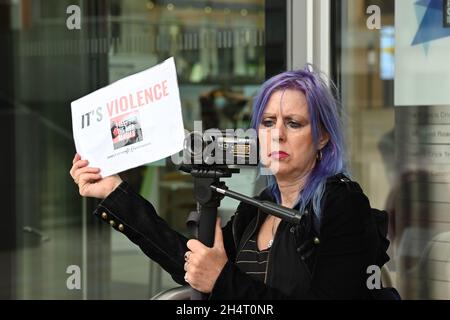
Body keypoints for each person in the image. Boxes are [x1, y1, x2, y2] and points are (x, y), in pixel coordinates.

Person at [70, 66, 391, 299]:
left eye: (293, 123)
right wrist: (114, 192)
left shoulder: (341, 204)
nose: (277, 134)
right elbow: (194, 265)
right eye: (267, 123)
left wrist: (223, 279)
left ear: (321, 137)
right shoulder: (261, 206)